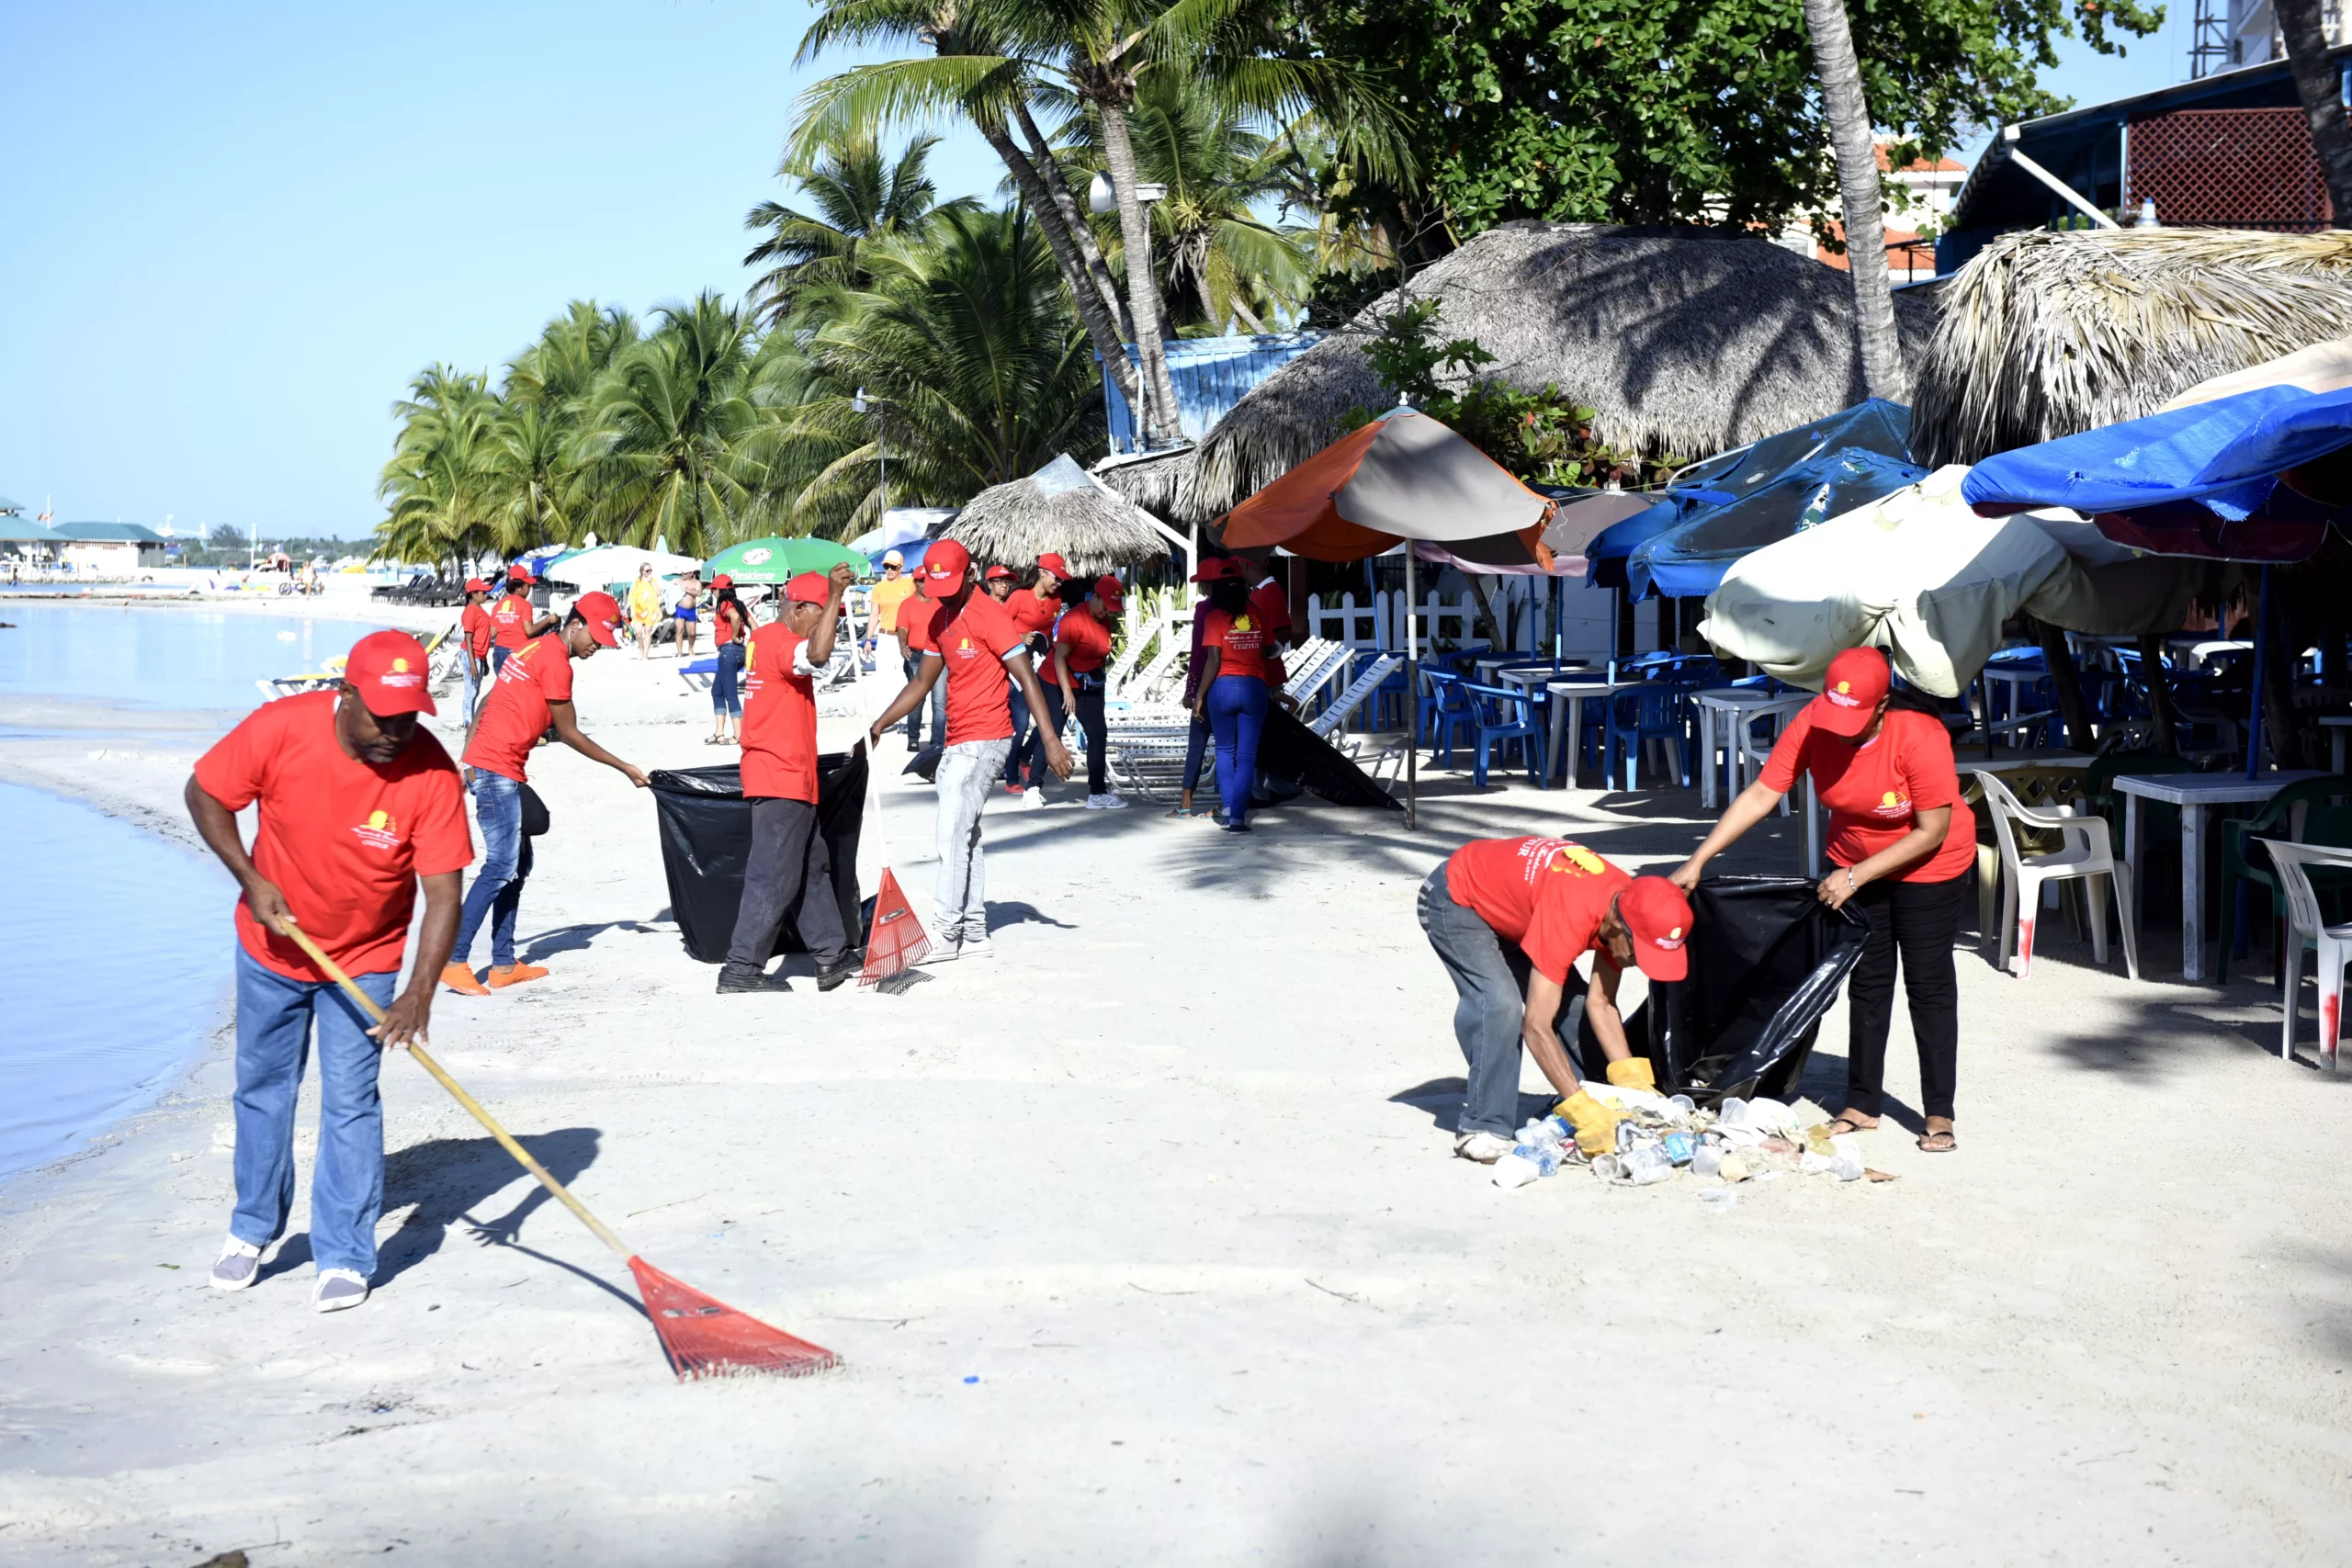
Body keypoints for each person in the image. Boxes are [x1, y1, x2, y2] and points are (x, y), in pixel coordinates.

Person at [186, 630, 471, 1312]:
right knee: (264, 1090)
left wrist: (417, 994)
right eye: (381, 716)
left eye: (408, 717)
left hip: (366, 961)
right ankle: (252, 1227)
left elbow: (443, 894)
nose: (396, 733)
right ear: (344, 695)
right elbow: (205, 793)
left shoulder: (432, 773)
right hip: (272, 950)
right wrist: (250, 878)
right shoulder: (282, 727)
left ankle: (343, 1251)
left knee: (350, 1101)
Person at [1670, 646, 1973, 1154]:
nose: (1839, 727)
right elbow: (1761, 794)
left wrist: (1855, 877)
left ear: (1881, 707)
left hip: (1930, 866)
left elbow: (1933, 829)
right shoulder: (1815, 721)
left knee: (1928, 984)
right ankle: (1861, 1103)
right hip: (1855, 861)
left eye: (1853, 717)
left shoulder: (1919, 735)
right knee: (1869, 984)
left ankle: (1939, 1111)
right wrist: (1699, 859)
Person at [1419, 836, 1693, 1164]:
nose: (1637, 962)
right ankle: (1483, 1127)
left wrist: (1633, 1083)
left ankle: (1595, 1099)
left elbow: (1600, 1004)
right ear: (1619, 925)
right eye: (1638, 953)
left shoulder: (1627, 904)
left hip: (1518, 913)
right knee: (1499, 1003)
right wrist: (1582, 1113)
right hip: (1457, 898)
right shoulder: (1575, 912)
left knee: (1573, 1004)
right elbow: (1536, 1026)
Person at [865, 539, 1073, 961]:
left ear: (971, 575)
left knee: (951, 832)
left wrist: (1050, 741)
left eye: (951, 585)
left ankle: (945, 931)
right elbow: (922, 683)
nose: (943, 594)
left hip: (988, 738)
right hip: (957, 741)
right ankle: (975, 932)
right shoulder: (940, 618)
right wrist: (879, 724)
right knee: (967, 832)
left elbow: (1027, 678)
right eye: (936, 587)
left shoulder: (989, 616)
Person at [443, 592, 649, 995]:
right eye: (595, 639)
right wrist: (625, 768)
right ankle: (453, 959)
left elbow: (490, 700)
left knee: (519, 863)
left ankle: (503, 963)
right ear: (575, 624)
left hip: (493, 765)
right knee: (500, 867)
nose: (596, 649)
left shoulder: (530, 648)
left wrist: (467, 757)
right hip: (496, 770)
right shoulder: (557, 661)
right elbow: (571, 733)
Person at [719, 565, 861, 994]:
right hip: (780, 775)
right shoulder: (782, 643)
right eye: (822, 618)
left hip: (785, 774)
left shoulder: (763, 638)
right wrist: (836, 595)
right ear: (800, 610)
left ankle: (831, 955)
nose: (827, 630)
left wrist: (831, 606)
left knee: (809, 868)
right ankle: (741, 967)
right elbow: (816, 657)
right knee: (773, 875)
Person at [1191, 558, 1286, 834]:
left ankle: (1229, 808)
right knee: (1246, 756)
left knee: (1224, 751)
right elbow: (1270, 650)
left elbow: (1213, 661)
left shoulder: (1213, 618)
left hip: (1221, 690)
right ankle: (1238, 819)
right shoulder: (1256, 615)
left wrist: (1199, 697)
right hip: (1253, 688)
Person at [1029, 573, 1125, 809]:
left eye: (1111, 609)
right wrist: (1068, 693)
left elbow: (1100, 654)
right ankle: (1033, 787)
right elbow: (1060, 659)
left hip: (1088, 684)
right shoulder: (1074, 620)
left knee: (1097, 733)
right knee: (1053, 732)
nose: (1107, 612)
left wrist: (1099, 686)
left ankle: (1097, 793)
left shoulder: (1104, 620)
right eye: (1105, 605)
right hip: (1056, 680)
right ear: (1095, 597)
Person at [1001, 554, 1069, 804]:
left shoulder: (1056, 601)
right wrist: (1020, 637)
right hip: (1016, 669)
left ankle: (1025, 756)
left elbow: (1051, 636)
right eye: (1056, 577)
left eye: (1062, 580)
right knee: (1020, 725)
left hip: (1042, 668)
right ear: (1042, 573)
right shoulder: (1019, 597)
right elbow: (997, 627)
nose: (1059, 583)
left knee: (1051, 720)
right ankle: (1011, 779)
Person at [867, 550, 924, 748]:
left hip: (904, 637)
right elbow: (874, 615)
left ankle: (903, 720)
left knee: (904, 679)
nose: (889, 570)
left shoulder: (910, 584)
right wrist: (868, 639)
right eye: (886, 566)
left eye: (893, 566)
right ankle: (883, 719)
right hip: (884, 636)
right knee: (883, 678)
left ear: (901, 567)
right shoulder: (879, 588)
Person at [707, 580, 749, 745]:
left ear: (719, 590)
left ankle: (739, 734)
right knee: (717, 690)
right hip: (739, 652)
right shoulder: (740, 605)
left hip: (729, 651)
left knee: (730, 693)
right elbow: (754, 626)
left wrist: (733, 636)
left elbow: (735, 617)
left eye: (713, 590)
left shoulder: (724, 604)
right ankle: (719, 733)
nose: (712, 593)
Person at [488, 573, 551, 674]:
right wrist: (547, 620)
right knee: (518, 687)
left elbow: (493, 633)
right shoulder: (525, 604)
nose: (529, 589)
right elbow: (529, 631)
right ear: (519, 588)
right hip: (516, 651)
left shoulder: (498, 605)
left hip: (498, 652)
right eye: (527, 586)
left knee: (503, 688)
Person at [458, 578, 492, 722]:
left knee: (475, 691)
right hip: (471, 655)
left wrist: (485, 662)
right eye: (483, 592)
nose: (486, 595)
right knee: (471, 691)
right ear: (473, 594)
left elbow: (483, 637)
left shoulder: (478, 610)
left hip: (478, 655)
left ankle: (469, 720)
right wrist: (473, 663)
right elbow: (468, 638)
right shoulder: (471, 611)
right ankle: (467, 722)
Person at [627, 563, 663, 660]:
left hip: (651, 609)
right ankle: (641, 649)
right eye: (647, 571)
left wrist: (652, 582)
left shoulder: (653, 580)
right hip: (638, 609)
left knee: (648, 631)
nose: (649, 572)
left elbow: (659, 592)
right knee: (638, 632)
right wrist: (628, 606)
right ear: (642, 571)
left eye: (650, 570)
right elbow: (631, 594)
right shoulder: (637, 581)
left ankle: (645, 655)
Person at [675, 572, 704, 660]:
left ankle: (690, 648)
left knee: (692, 633)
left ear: (691, 574)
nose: (683, 574)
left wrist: (687, 590)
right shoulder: (678, 581)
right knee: (679, 630)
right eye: (682, 573)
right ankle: (679, 651)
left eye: (686, 573)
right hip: (680, 609)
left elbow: (699, 593)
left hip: (691, 610)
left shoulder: (696, 582)